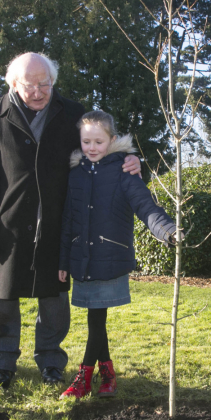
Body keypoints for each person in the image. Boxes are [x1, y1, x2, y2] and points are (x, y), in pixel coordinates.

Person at [0, 53, 142, 389]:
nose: (37, 92)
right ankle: (2, 364)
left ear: (53, 81)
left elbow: (101, 145)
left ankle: (50, 361)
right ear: (14, 85)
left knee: (54, 297)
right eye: (29, 85)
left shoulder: (73, 113)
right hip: (9, 218)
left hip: (59, 219)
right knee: (4, 295)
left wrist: (129, 157)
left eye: (44, 84)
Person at [58, 110, 180, 399]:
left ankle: (84, 377)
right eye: (86, 141)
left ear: (112, 140)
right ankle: (108, 375)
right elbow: (67, 221)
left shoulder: (125, 171)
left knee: (96, 319)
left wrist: (168, 230)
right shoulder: (74, 174)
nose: (92, 147)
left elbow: (145, 206)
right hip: (82, 259)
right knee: (95, 319)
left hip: (110, 255)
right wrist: (63, 260)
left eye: (98, 141)